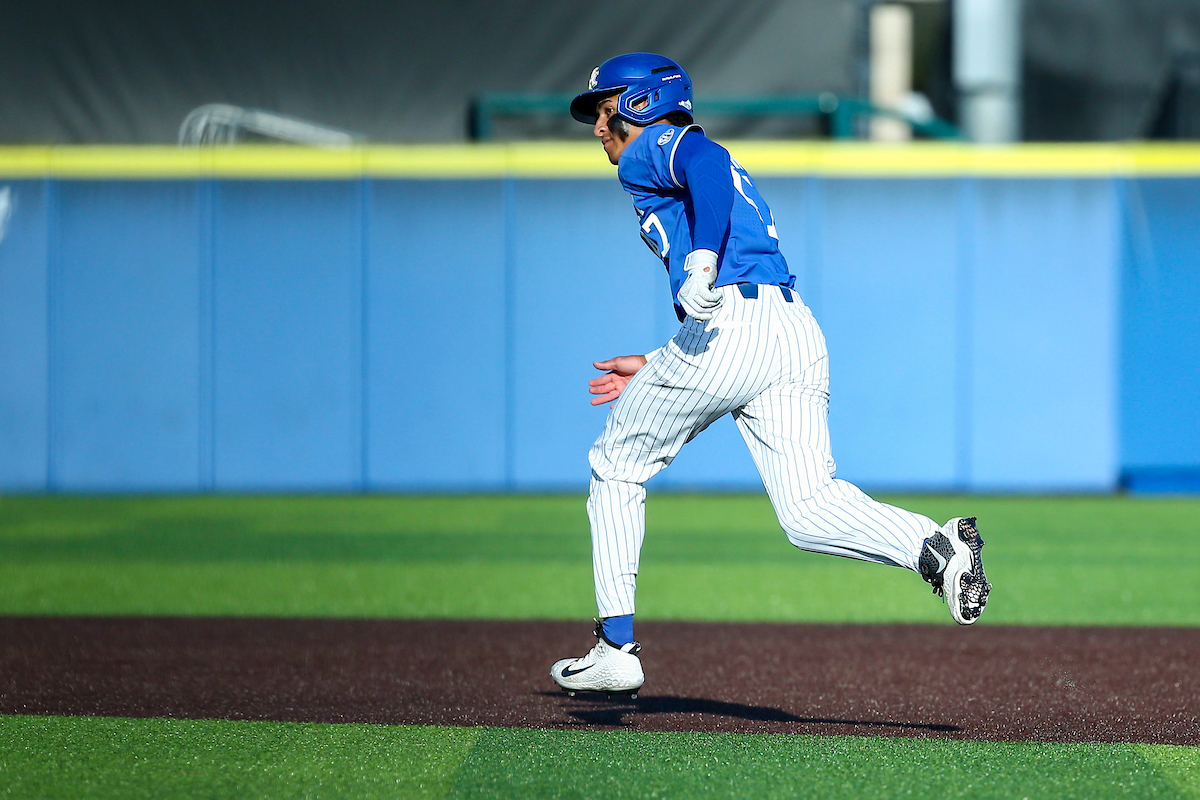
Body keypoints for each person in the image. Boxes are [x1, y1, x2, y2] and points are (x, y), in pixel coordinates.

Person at [550, 53, 990, 698]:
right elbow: (721, 217)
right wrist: (657, 363)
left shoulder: (653, 145)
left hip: (729, 327)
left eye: (603, 108)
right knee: (810, 510)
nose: (597, 126)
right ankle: (935, 546)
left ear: (640, 103)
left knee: (616, 466)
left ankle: (615, 646)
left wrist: (700, 263)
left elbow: (701, 161)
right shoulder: (689, 158)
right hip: (790, 332)